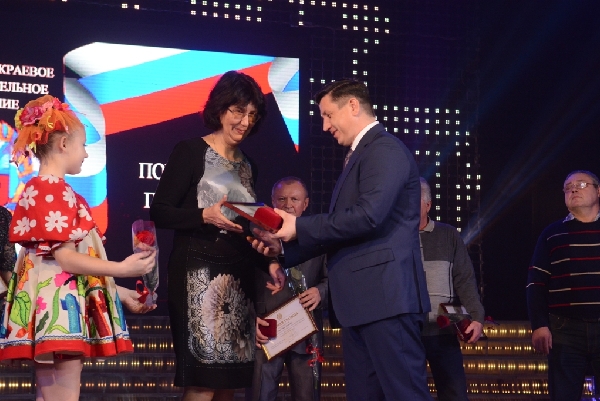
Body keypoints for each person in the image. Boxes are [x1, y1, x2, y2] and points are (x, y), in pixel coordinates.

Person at [250, 79, 432, 401]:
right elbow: (347, 231)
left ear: (353, 106)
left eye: (328, 115)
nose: (325, 126)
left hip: (386, 301)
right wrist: (285, 248)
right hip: (362, 305)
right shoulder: (360, 155)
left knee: (405, 395)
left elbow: (368, 216)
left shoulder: (384, 149)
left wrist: (299, 227)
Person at [0, 94, 156, 401]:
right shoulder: (52, 190)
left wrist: (121, 292)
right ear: (63, 144)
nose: (85, 153)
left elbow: (56, 265)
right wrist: (122, 268)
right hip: (60, 311)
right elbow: (67, 260)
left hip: (52, 307)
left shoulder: (41, 188)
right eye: (83, 145)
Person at [149, 70, 284, 401]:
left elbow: (244, 230)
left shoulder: (249, 165)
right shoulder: (190, 151)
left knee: (229, 382)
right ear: (221, 109)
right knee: (203, 380)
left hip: (238, 279)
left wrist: (267, 262)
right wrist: (202, 215)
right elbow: (160, 212)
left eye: (252, 114)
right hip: (197, 273)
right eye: (238, 111)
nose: (245, 122)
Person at [252, 177, 328, 401]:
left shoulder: (319, 239)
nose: (288, 205)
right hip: (266, 333)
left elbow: (332, 279)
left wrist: (320, 292)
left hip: (306, 333)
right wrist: (250, 321)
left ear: (305, 204)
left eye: (294, 199)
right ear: (273, 201)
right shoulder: (256, 238)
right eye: (282, 199)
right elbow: (243, 285)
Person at [527, 170, 600, 401]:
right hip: (565, 330)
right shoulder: (552, 234)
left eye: (581, 184)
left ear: (598, 191)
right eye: (568, 187)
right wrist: (539, 324)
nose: (573, 189)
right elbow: (536, 282)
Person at [418, 177, 484, 401]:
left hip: (443, 331)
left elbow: (465, 280)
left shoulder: (448, 235)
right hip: (407, 333)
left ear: (428, 205)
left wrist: (476, 317)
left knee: (454, 394)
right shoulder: (395, 238)